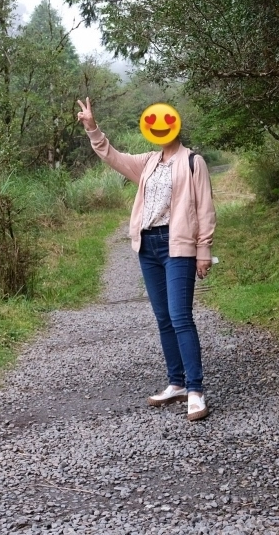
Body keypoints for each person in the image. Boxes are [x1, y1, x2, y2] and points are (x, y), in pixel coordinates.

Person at [76, 97, 216, 421]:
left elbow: (206, 210)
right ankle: (176, 383)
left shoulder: (194, 161)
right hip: (147, 246)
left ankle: (195, 390)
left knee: (181, 316)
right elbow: (112, 156)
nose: (160, 128)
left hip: (177, 245)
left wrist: (204, 250)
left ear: (176, 124)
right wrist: (92, 128)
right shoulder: (149, 162)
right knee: (164, 318)